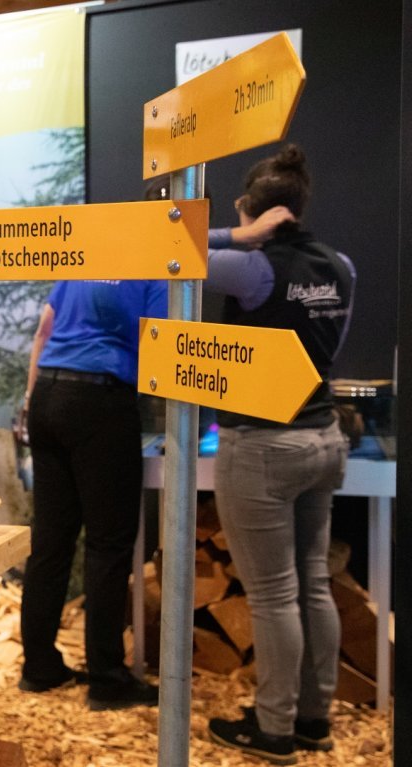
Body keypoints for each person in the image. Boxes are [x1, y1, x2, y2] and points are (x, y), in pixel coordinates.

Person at [203, 145, 354, 765]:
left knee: (271, 595)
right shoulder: (340, 265)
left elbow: (160, 255)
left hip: (263, 444)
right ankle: (314, 719)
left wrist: (235, 233)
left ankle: (274, 730)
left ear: (254, 208)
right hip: (323, 435)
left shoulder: (251, 270)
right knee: (313, 584)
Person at [17, 276, 166, 711]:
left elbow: (44, 331)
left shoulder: (87, 260)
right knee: (108, 545)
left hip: (47, 394)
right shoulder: (156, 275)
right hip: (101, 401)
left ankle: (39, 667)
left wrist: (30, 403)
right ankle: (107, 679)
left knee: (50, 541)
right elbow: (163, 344)